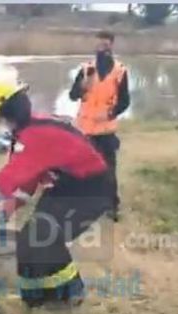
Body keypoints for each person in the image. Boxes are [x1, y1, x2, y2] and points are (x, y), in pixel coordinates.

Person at [0, 81, 112, 308]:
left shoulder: (36, 136)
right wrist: (5, 212)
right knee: (31, 242)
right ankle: (35, 300)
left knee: (43, 239)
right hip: (66, 187)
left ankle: (71, 294)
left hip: (91, 191)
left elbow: (4, 183)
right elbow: (27, 180)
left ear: (7, 112)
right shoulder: (29, 130)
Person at [68, 30, 130, 222]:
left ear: (111, 45)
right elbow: (72, 95)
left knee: (108, 170)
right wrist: (82, 86)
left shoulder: (120, 72)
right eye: (99, 44)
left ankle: (111, 206)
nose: (102, 48)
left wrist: (111, 113)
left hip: (106, 131)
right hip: (85, 130)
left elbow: (125, 101)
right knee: (84, 170)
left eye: (106, 44)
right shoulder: (86, 69)